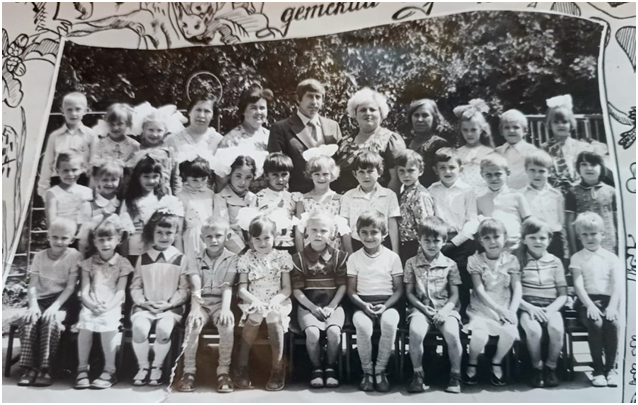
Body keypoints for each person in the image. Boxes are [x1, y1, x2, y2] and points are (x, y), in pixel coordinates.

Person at [17, 218, 82, 387]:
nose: (59, 241)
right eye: (55, 237)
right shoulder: (39, 256)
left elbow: (70, 287)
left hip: (62, 301)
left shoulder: (74, 256)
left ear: (72, 239)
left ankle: (46, 369)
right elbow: (32, 284)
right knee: (28, 321)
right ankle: (30, 368)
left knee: (51, 322)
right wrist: (33, 305)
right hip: (40, 299)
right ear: (48, 237)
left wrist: (55, 307)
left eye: (64, 238)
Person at [178, 217, 238, 393]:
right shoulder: (195, 258)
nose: (214, 240)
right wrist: (195, 310)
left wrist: (225, 309)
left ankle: (223, 371)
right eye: (209, 237)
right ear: (202, 238)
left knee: (227, 323)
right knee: (193, 323)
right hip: (202, 302)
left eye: (218, 236)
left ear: (226, 237)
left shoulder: (232, 258)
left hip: (221, 302)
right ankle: (189, 371)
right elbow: (195, 285)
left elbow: (227, 285)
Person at [404, 216, 464, 394]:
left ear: (444, 241)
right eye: (427, 240)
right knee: (415, 332)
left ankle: (455, 375)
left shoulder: (450, 265)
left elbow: (455, 295)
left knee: (452, 333)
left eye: (436, 241)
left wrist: (444, 312)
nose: (431, 245)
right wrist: (423, 309)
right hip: (420, 309)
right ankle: (418, 375)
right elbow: (409, 293)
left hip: (446, 309)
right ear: (419, 240)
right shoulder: (411, 263)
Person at [130, 209, 189, 387]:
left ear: (175, 234)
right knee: (139, 329)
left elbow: (184, 288)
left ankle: (157, 366)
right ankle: (143, 366)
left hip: (170, 307)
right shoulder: (143, 258)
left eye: (169, 233)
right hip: (146, 306)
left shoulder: (181, 259)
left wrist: (169, 304)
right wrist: (143, 302)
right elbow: (136, 285)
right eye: (159, 232)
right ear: (152, 233)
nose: (164, 237)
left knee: (163, 331)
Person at [346, 210, 404, 393]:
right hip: (362, 305)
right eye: (364, 232)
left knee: (390, 323)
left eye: (374, 232)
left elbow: (399, 289)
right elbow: (351, 290)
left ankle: (380, 370)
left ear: (384, 234)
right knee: (363, 327)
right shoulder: (354, 258)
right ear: (358, 234)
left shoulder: (392, 257)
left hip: (388, 304)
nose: (369, 237)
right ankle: (367, 372)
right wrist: (363, 305)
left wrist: (385, 306)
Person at [234, 215, 293, 391]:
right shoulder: (246, 258)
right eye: (257, 238)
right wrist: (255, 300)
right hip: (254, 301)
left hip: (277, 300)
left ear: (275, 237)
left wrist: (276, 300)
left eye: (267, 238)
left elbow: (287, 288)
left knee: (274, 315)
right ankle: (242, 366)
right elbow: (242, 289)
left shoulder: (282, 257)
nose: (262, 242)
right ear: (250, 239)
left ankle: (277, 368)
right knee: (256, 314)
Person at [291, 211, 349, 389]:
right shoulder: (298, 258)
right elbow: (296, 290)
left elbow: (342, 285)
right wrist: (311, 307)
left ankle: (330, 366)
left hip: (333, 305)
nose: (318, 234)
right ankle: (316, 367)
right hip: (308, 306)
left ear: (332, 233)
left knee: (334, 332)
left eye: (323, 231)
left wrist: (332, 306)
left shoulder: (339, 257)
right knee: (313, 333)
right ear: (306, 232)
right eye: (314, 230)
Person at [75, 215, 133, 390]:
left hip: (111, 304)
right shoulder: (88, 263)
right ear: (94, 241)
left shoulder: (123, 264)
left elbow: (121, 291)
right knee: (85, 323)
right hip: (91, 303)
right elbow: (84, 290)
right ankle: (82, 368)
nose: (105, 243)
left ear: (118, 239)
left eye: (109, 239)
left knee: (109, 324)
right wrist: (91, 305)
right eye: (101, 239)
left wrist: (108, 306)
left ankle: (110, 370)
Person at [464, 218, 522, 387]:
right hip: (481, 308)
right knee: (479, 335)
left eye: (496, 236)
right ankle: (472, 360)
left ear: (505, 237)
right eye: (487, 238)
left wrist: (511, 311)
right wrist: (498, 310)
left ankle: (496, 361)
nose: (492, 242)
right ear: (480, 241)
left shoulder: (511, 260)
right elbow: (479, 289)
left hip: (505, 307)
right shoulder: (475, 260)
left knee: (510, 332)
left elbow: (517, 288)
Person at [570, 212, 622, 388]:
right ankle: (598, 370)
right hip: (586, 303)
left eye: (593, 233)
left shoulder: (611, 258)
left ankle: (611, 369)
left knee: (613, 323)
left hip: (608, 302)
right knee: (596, 323)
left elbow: (616, 285)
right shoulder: (577, 258)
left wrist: (613, 306)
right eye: (584, 234)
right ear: (579, 237)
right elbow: (578, 286)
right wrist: (590, 306)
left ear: (603, 234)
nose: (589, 238)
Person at [517, 217, 567, 388]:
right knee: (533, 330)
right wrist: (529, 308)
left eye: (542, 238)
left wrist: (550, 310)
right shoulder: (518, 261)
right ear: (524, 239)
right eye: (532, 237)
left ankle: (551, 367)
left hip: (551, 306)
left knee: (556, 328)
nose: (537, 241)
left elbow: (563, 295)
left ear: (549, 240)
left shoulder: (555, 262)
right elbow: (513, 294)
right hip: (527, 306)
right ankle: (536, 368)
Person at [268, 79, 342, 193]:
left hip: (329, 196)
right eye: (310, 96)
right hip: (297, 195)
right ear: (298, 99)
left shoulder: (333, 126)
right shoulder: (281, 128)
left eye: (318, 97)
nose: (314, 102)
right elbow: (278, 168)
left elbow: (339, 163)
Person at [334, 88, 406, 194]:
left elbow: (396, 179)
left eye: (372, 109)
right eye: (363, 110)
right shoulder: (344, 142)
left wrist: (386, 201)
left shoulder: (391, 140)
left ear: (381, 114)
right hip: (345, 200)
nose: (368, 113)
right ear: (355, 114)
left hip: (377, 200)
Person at [340, 151, 401, 254]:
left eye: (370, 171)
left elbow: (392, 225)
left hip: (383, 245)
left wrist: (396, 252)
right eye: (361, 172)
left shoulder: (389, 195)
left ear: (380, 172)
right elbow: (345, 227)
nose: (366, 176)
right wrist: (349, 253)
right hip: (357, 245)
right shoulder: (348, 196)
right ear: (355, 174)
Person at [38, 92, 94, 198]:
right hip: (58, 180)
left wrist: (93, 190)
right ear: (62, 111)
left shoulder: (90, 135)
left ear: (86, 111)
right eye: (69, 109)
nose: (73, 113)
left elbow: (94, 163)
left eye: (78, 109)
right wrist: (44, 189)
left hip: (82, 181)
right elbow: (47, 163)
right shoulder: (55, 136)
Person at [566, 151, 618, 254]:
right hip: (584, 247)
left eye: (593, 164)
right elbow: (570, 224)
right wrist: (573, 250)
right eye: (584, 164)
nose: (589, 168)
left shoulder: (611, 191)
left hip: (609, 246)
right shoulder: (572, 192)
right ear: (578, 168)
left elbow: (617, 221)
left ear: (601, 167)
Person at [395, 149, 436, 265]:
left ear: (420, 171)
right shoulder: (404, 191)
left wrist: (424, 251)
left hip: (417, 245)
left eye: (410, 170)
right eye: (401, 171)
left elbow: (426, 226)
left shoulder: (421, 194)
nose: (406, 175)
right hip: (405, 245)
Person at [453, 99, 495, 196]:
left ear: (481, 129)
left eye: (473, 130)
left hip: (484, 196)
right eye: (465, 130)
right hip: (462, 196)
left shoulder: (489, 153)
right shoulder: (457, 153)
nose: (469, 134)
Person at [406, 99, 450, 188]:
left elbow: (444, 179)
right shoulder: (404, 143)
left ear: (434, 118)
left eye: (425, 115)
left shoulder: (439, 144)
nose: (420, 119)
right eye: (416, 115)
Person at [44, 150, 93, 227]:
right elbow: (51, 222)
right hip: (61, 231)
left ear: (81, 170)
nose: (70, 174)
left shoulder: (87, 192)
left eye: (74, 170)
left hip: (84, 232)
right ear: (57, 171)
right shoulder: (52, 193)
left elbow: (90, 218)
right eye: (65, 170)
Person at [495, 109, 538, 191]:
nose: (511, 131)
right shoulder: (498, 152)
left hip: (526, 191)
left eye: (516, 127)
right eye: (507, 127)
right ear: (501, 131)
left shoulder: (531, 151)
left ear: (525, 130)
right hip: (504, 192)